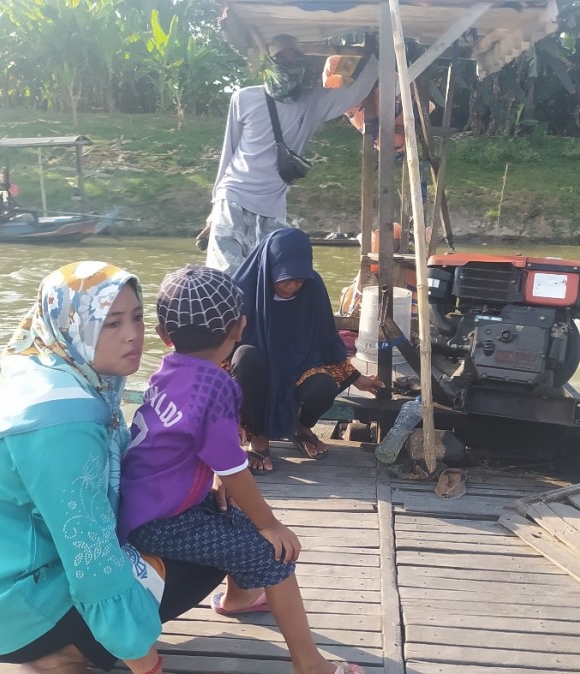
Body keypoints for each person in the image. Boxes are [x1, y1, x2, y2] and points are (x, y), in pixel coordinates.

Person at [0, 261, 225, 674]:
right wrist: (144, 660)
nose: (133, 334)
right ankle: (66, 653)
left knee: (202, 522)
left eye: (136, 317)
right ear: (73, 326)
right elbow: (90, 555)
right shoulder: (61, 422)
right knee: (210, 552)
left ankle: (82, 640)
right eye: (110, 323)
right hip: (15, 613)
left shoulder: (45, 374)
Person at [118, 264, 362, 674]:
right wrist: (272, 525)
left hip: (144, 505)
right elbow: (234, 469)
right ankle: (310, 664)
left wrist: (219, 483)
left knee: (231, 511)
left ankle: (239, 599)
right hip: (162, 521)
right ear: (240, 327)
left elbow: (192, 445)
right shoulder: (217, 386)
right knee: (274, 555)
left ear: (164, 335)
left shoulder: (167, 370)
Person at [204, 33, 379, 275]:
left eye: (295, 58)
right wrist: (215, 209)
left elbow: (357, 90)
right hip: (233, 198)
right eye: (282, 58)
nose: (290, 64)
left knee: (270, 279)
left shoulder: (312, 103)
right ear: (270, 63)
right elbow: (229, 152)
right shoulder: (244, 98)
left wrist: (375, 55)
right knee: (224, 278)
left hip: (273, 207)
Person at [231, 228, 386, 473]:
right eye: (285, 279)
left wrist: (357, 379)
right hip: (254, 373)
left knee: (323, 385)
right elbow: (222, 346)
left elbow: (326, 341)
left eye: (299, 279)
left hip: (297, 368)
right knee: (245, 357)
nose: (293, 286)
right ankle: (258, 435)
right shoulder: (240, 290)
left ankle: (301, 426)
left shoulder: (312, 289)